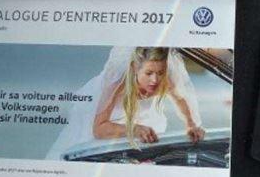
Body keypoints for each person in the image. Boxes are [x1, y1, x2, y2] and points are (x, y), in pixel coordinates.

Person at [46, 47, 204, 159]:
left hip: (137, 117)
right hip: (102, 119)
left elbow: (181, 100)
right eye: (148, 73)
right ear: (135, 68)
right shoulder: (117, 82)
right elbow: (98, 129)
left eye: (160, 73)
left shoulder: (166, 80)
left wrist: (191, 124)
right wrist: (133, 129)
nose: (155, 80)